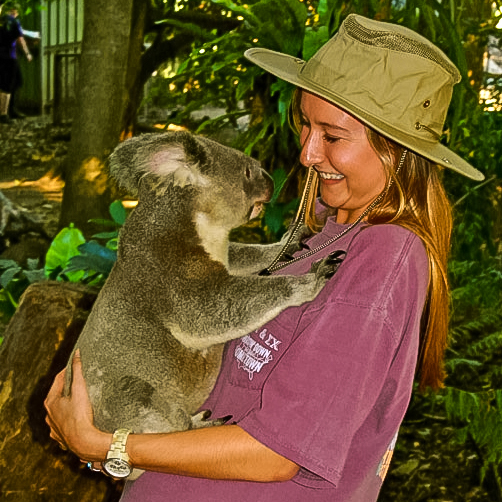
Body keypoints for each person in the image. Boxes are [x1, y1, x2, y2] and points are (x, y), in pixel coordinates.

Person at [44, 14, 484, 502]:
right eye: (305, 125)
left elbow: (277, 454)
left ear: (397, 151)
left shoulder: (383, 256)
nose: (307, 154)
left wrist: (110, 444)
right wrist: (114, 428)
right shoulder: (324, 231)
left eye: (332, 136)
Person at [0, 1, 32, 124]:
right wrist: (27, 53)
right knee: (7, 85)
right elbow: (20, 39)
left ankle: (10, 109)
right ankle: (3, 114)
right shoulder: (13, 22)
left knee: (15, 81)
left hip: (2, 56)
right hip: (9, 56)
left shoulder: (1, 21)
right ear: (14, 11)